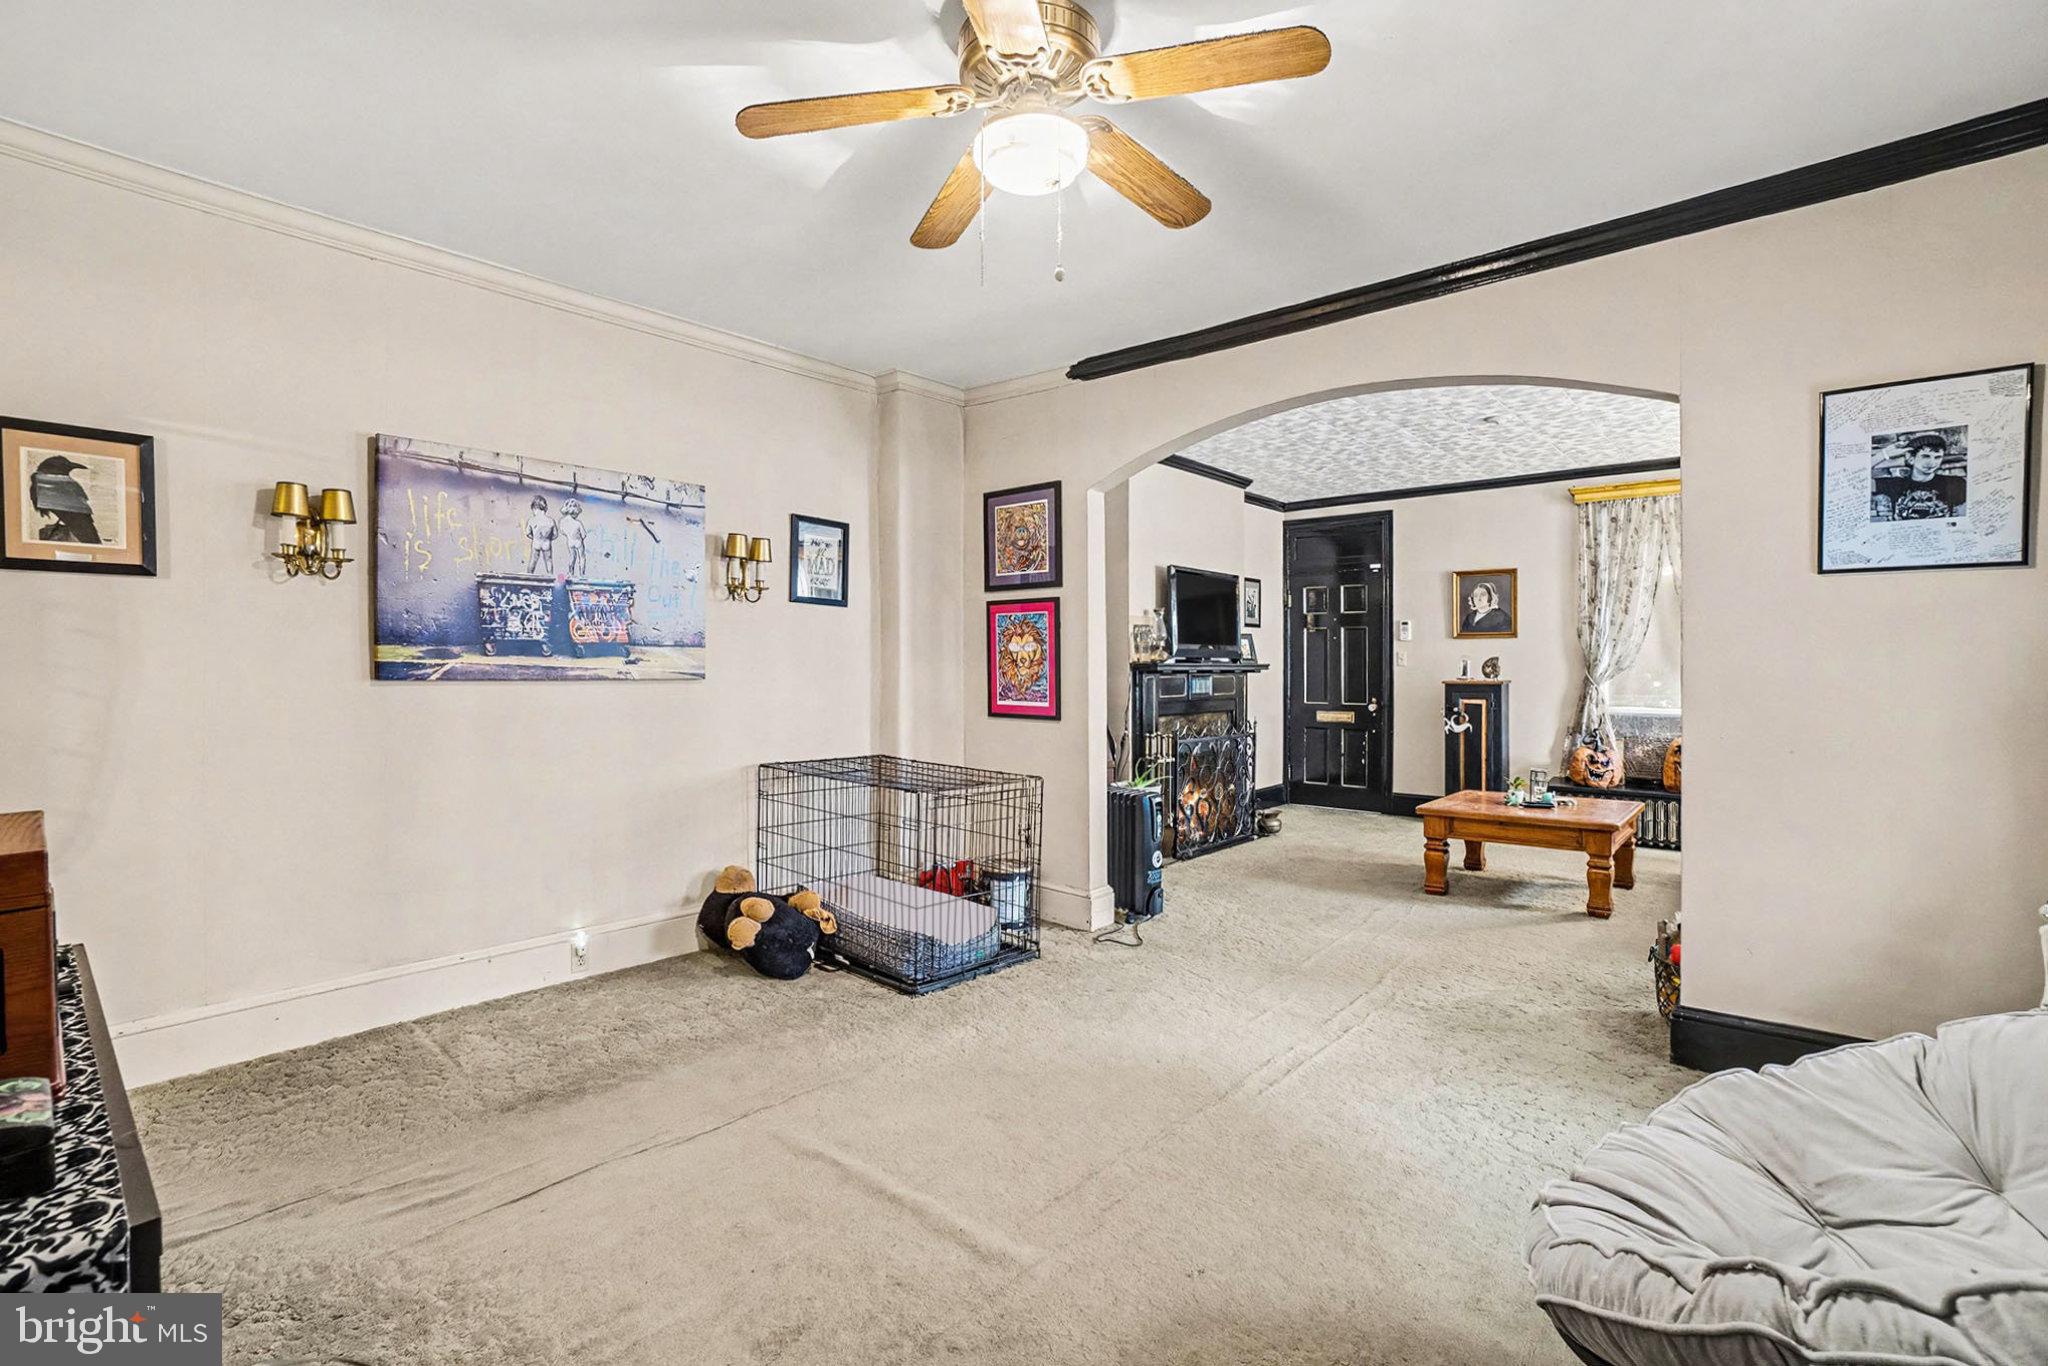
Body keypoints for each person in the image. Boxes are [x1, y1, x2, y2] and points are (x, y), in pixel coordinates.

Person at [1871, 431, 1966, 521]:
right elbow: (1861, 479)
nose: (1932, 463)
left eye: (1937, 457)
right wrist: (1884, 454)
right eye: (1925, 456)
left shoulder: (1955, 483)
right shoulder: (1894, 484)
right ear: (1910, 458)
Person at [27, 455, 102, 544]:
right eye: (63, 466)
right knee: (88, 536)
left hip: (77, 516)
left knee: (86, 535)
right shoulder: (45, 480)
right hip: (80, 515)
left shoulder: (41, 480)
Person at [525, 494, 556, 574]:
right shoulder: (550, 521)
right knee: (548, 561)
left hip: (536, 543)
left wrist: (534, 537)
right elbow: (555, 534)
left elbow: (527, 533)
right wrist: (548, 538)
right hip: (546, 543)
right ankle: (550, 576)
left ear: (535, 508)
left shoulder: (532, 520)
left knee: (533, 560)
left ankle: (529, 575)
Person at [558, 497, 587, 578]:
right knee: (582, 557)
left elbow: (562, 531)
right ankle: (582, 574)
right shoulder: (577, 523)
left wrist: (569, 535)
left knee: (572, 557)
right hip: (578, 541)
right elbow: (584, 534)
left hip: (570, 541)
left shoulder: (562, 522)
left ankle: (571, 573)